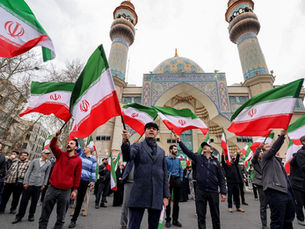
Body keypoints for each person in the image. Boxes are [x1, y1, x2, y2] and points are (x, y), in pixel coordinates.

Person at [121, 122, 169, 229]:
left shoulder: (161, 152)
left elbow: (164, 174)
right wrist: (125, 142)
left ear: (157, 132)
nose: (151, 130)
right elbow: (128, 157)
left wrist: (166, 196)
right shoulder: (137, 146)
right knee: (133, 225)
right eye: (148, 128)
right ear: (145, 131)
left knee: (154, 226)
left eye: (154, 128)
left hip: (156, 195)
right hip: (139, 193)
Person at [176, 135, 226, 229]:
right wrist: (180, 142)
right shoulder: (198, 158)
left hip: (213, 191)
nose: (204, 147)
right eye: (203, 146)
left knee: (215, 216)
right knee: (201, 216)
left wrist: (223, 191)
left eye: (206, 146)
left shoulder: (216, 162)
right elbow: (187, 152)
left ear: (211, 150)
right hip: (200, 191)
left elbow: (221, 178)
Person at [38, 130, 82, 229]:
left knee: (61, 218)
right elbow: (52, 146)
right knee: (44, 214)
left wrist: (75, 190)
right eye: (68, 143)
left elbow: (77, 176)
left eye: (71, 143)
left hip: (66, 191)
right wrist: (56, 136)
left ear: (75, 147)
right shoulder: (60, 154)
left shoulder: (78, 160)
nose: (69, 144)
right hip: (52, 189)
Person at [261, 129, 295, 229]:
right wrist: (281, 136)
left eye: (270, 145)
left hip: (286, 192)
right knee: (277, 221)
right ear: (263, 150)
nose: (270, 146)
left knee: (288, 219)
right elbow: (273, 149)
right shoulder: (265, 157)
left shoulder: (276, 160)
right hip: (275, 191)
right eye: (267, 146)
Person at [12, 149, 52, 224]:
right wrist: (26, 182)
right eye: (46, 153)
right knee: (24, 201)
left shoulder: (49, 163)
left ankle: (31, 215)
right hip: (30, 183)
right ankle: (19, 216)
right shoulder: (35, 161)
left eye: (48, 154)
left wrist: (44, 184)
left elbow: (47, 174)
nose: (47, 155)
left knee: (34, 201)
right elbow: (28, 171)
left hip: (39, 185)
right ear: (42, 154)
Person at [68, 145, 96, 228]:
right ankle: (61, 218)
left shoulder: (93, 159)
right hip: (74, 179)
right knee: (68, 197)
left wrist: (93, 181)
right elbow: (78, 147)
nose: (84, 148)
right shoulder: (80, 155)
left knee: (80, 200)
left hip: (84, 181)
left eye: (86, 147)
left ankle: (74, 220)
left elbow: (93, 171)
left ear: (90, 150)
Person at [165, 145, 183, 228]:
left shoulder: (178, 160)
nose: (176, 150)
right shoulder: (166, 160)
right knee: (168, 201)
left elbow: (181, 170)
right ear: (170, 150)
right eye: (174, 149)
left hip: (177, 180)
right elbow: (164, 171)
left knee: (176, 202)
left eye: (176, 149)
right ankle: (168, 219)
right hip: (169, 180)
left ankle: (175, 220)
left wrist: (181, 179)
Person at [290, 135, 305, 226]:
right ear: (303, 142)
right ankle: (300, 218)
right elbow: (303, 167)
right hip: (297, 183)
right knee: (299, 202)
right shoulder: (301, 153)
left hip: (303, 182)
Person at [252, 144, 268, 229]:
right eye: (261, 152)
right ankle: (264, 224)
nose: (262, 153)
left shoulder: (267, 161)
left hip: (269, 184)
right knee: (263, 205)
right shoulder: (255, 162)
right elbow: (254, 157)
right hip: (261, 184)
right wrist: (259, 148)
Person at [120, 160, 134, 229]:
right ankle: (123, 224)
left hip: (138, 184)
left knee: (136, 207)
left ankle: (133, 225)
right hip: (128, 183)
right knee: (125, 205)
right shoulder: (130, 158)